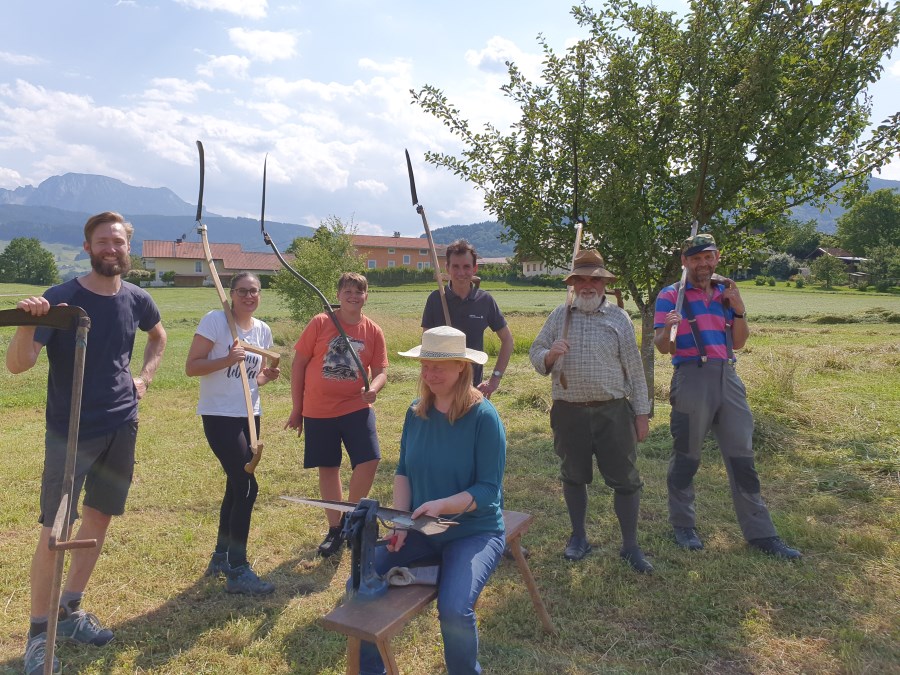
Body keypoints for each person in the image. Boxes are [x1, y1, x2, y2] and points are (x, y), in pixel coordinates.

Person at [6, 211, 167, 675]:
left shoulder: (137, 299)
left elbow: (158, 338)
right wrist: (25, 323)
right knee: (55, 530)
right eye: (102, 242)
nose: (111, 249)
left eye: (118, 242)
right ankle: (39, 635)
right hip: (70, 432)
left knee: (98, 518)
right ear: (87, 248)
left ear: (128, 248)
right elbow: (18, 365)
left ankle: (70, 611)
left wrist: (144, 378)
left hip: (122, 425)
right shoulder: (62, 299)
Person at [357, 325, 506, 675]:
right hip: (421, 528)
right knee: (360, 584)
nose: (430, 373)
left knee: (454, 610)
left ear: (461, 367)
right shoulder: (416, 412)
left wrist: (443, 505)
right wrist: (401, 523)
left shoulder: (484, 417)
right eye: (425, 365)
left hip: (474, 531)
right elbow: (403, 471)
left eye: (439, 366)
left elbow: (488, 490)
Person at [653, 233, 801, 559]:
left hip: (728, 376)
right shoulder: (671, 295)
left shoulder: (725, 292)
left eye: (708, 257)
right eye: (696, 258)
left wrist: (740, 310)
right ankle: (683, 526)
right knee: (687, 456)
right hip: (691, 376)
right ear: (684, 261)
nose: (703, 264)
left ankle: (761, 534)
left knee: (742, 458)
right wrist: (669, 327)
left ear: (717, 257)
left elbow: (738, 343)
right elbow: (664, 347)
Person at [529, 249, 653, 573]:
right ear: (572, 284)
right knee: (573, 476)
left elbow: (635, 371)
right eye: (581, 279)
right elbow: (535, 352)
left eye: (594, 280)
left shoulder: (619, 319)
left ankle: (630, 546)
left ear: (604, 284)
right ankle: (579, 538)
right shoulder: (560, 316)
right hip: (568, 413)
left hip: (613, 412)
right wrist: (550, 355)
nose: (587, 286)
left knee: (625, 480)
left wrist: (641, 415)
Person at [185, 272, 280, 595]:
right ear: (232, 294)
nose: (249, 296)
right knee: (247, 486)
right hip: (219, 415)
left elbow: (254, 378)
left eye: (254, 291)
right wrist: (227, 358)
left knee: (235, 485)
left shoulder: (262, 330)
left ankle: (221, 557)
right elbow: (192, 366)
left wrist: (267, 376)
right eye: (242, 291)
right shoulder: (215, 321)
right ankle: (238, 570)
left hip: (250, 415)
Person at [286, 272, 388, 557]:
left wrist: (374, 388)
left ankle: (351, 520)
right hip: (318, 410)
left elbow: (381, 370)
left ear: (366, 296)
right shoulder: (321, 322)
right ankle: (335, 529)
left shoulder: (373, 331)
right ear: (338, 295)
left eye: (359, 291)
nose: (353, 296)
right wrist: (297, 409)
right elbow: (298, 364)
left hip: (356, 407)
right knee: (328, 467)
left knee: (369, 460)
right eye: (348, 291)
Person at [421, 239, 513, 398]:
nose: (461, 273)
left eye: (466, 267)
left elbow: (507, 340)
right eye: (455, 266)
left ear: (474, 268)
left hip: (472, 388)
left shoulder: (485, 300)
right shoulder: (436, 300)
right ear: (447, 268)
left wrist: (495, 379)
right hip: (439, 389)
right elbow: (425, 344)